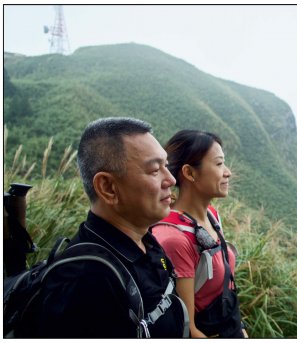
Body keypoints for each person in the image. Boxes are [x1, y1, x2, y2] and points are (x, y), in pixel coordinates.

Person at [30, 117, 187, 337]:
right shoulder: (85, 284)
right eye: (154, 171)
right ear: (108, 188)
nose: (170, 179)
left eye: (166, 166)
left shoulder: (146, 241)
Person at [152, 130, 247, 338]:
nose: (228, 172)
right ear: (190, 173)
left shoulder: (212, 216)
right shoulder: (174, 239)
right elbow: (189, 330)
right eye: (219, 164)